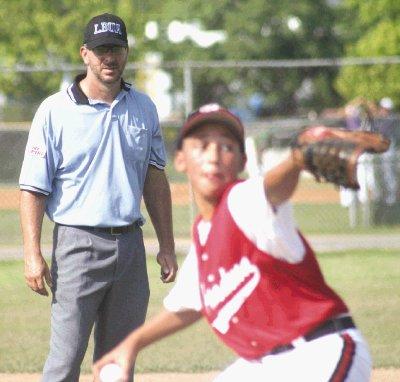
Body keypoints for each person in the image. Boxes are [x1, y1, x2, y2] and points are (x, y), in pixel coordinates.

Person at [93, 103, 372, 381]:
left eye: (226, 147)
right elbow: (187, 305)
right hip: (263, 366)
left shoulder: (243, 201)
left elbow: (272, 189)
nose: (213, 156)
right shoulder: (204, 238)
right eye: (201, 145)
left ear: (242, 163)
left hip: (320, 353)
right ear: (180, 160)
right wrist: (132, 344)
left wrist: (296, 162)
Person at [19, 13, 177, 382]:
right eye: (102, 49)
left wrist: (167, 245)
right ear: (85, 54)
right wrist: (32, 252)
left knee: (118, 363)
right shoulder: (55, 111)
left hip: (130, 247)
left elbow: (155, 181)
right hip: (77, 243)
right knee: (65, 360)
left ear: (126, 52)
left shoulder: (143, 108)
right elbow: (33, 188)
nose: (110, 57)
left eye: (117, 48)